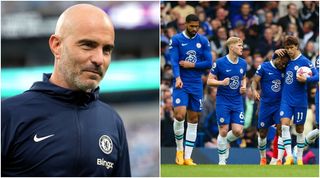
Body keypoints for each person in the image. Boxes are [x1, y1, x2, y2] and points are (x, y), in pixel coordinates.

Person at [1, 4, 131, 176]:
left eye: (107, 50)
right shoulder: (9, 115)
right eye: (88, 45)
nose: (99, 59)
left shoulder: (113, 122)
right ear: (56, 45)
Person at [169, 14, 212, 166]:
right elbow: (174, 61)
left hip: (196, 84)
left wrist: (191, 65)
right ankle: (179, 151)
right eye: (192, 26)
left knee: (193, 119)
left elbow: (209, 62)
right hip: (181, 82)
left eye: (197, 26)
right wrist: (177, 77)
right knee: (180, 115)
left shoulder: (203, 41)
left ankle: (188, 157)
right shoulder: (176, 39)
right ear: (186, 24)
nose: (194, 29)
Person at [207, 37, 247, 165]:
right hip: (223, 100)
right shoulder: (219, 63)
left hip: (237, 101)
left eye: (242, 45)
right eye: (239, 45)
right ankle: (222, 160)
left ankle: (225, 142)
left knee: (238, 131)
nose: (242, 48)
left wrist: (243, 86)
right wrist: (221, 82)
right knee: (223, 130)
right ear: (231, 47)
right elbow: (209, 81)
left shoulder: (243, 63)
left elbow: (244, 77)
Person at [279, 36, 318, 165]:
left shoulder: (305, 61)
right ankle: (289, 156)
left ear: (297, 46)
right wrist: (275, 53)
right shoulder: (286, 60)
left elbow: (317, 76)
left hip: (300, 100)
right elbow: (274, 63)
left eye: (291, 48)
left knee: (300, 129)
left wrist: (306, 79)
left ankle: (299, 158)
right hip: (286, 100)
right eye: (287, 48)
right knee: (284, 125)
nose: (289, 50)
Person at [251, 50, 290, 165]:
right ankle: (263, 157)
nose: (284, 65)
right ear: (277, 59)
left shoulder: (284, 67)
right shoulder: (264, 67)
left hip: (280, 105)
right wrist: (254, 90)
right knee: (262, 133)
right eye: (282, 63)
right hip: (265, 105)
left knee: (281, 130)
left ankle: (278, 159)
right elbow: (255, 80)